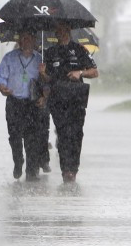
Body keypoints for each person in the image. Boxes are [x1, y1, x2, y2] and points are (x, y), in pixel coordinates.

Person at [39, 21, 99, 183]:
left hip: (77, 99)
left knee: (76, 133)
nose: (62, 33)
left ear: (69, 31)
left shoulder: (80, 50)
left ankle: (74, 167)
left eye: (65, 30)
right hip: (58, 99)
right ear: (55, 33)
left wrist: (80, 73)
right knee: (64, 133)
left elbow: (95, 72)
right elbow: (47, 79)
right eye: (58, 31)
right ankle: (66, 169)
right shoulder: (50, 52)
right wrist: (43, 73)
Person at [0, 30, 47, 181]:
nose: (27, 42)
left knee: (32, 138)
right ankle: (18, 161)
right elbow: (0, 78)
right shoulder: (9, 58)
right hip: (14, 102)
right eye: (24, 38)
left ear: (34, 40)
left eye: (30, 38)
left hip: (32, 104)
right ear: (19, 41)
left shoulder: (40, 59)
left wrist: (44, 95)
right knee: (15, 137)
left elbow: (47, 83)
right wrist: (2, 87)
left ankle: (32, 170)